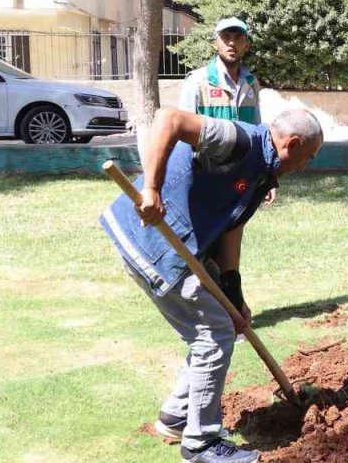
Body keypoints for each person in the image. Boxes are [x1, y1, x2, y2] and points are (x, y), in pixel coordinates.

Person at [99, 108, 323, 463]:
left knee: (219, 326)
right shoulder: (239, 141)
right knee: (213, 334)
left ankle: (176, 416)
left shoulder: (262, 172)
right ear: (291, 144)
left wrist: (234, 294)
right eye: (307, 157)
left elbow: (232, 228)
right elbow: (169, 120)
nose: (304, 166)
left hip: (180, 249)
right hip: (153, 241)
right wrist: (152, 189)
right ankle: (201, 444)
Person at [179, 18, 277, 202]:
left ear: (246, 45)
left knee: (234, 228)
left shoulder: (251, 83)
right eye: (225, 37)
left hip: (240, 176)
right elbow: (182, 135)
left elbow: (256, 134)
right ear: (215, 43)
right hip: (205, 175)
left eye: (238, 38)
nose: (232, 43)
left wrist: (265, 179)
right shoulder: (197, 81)